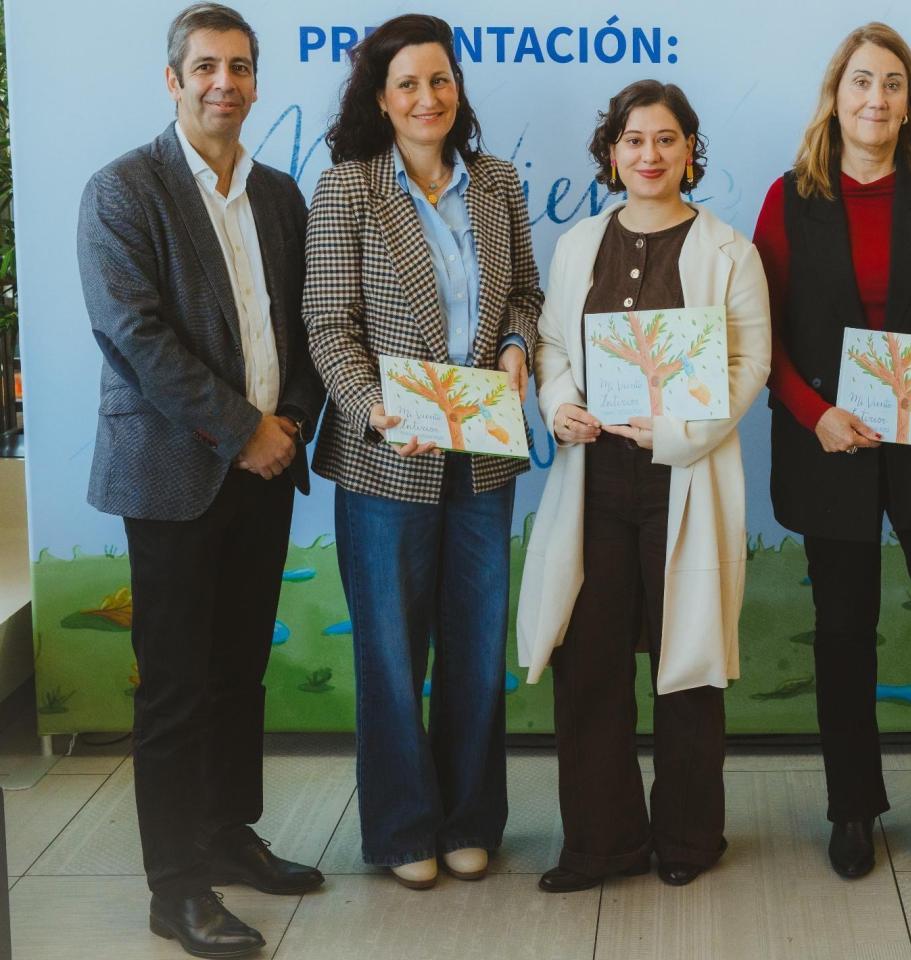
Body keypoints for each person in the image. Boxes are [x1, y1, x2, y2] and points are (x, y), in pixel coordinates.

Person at [76, 3, 327, 955]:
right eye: (207, 66)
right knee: (177, 687)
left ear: (258, 82)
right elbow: (136, 338)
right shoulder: (122, 191)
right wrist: (242, 433)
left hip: (268, 466)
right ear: (173, 80)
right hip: (176, 473)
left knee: (239, 672)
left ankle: (226, 835)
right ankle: (173, 886)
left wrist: (292, 421)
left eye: (242, 66)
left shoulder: (278, 195)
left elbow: (303, 329)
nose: (226, 82)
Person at [752, 21, 911, 881]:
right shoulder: (788, 198)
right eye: (863, 81)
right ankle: (853, 810)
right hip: (830, 442)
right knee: (843, 632)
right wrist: (812, 412)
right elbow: (766, 337)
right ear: (836, 93)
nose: (877, 98)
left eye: (893, 84)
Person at [304, 13, 541, 891]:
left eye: (440, 81)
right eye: (407, 83)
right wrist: (373, 410)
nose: (426, 97)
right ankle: (405, 828)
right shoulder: (348, 190)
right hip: (385, 456)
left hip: (481, 451)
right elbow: (329, 325)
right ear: (380, 97)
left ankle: (472, 817)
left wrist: (517, 347)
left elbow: (523, 292)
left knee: (477, 644)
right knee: (393, 654)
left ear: (457, 90)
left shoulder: (498, 184)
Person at [514, 80, 770, 892]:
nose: (649, 155)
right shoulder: (577, 245)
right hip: (595, 482)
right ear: (611, 152)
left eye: (666, 140)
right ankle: (600, 844)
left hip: (681, 480)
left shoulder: (729, 250)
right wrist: (559, 408)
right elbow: (552, 346)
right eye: (633, 140)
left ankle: (689, 840)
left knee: (685, 662)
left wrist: (679, 433)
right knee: (589, 662)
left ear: (690, 150)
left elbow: (748, 363)